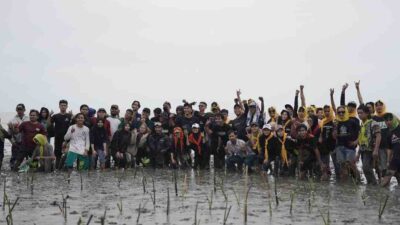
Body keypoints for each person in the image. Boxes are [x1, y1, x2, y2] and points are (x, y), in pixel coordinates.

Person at [355, 105, 380, 185]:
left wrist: (376, 150)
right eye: (358, 113)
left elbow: (378, 136)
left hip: (371, 150)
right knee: (366, 169)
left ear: (367, 113)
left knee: (366, 167)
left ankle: (374, 184)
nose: (359, 115)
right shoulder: (362, 124)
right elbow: (361, 140)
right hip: (363, 150)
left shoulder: (373, 123)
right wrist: (358, 153)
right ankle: (370, 185)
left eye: (361, 113)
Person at [334, 106, 360, 181]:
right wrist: (335, 127)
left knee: (351, 165)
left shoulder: (352, 121)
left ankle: (358, 181)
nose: (341, 113)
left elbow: (360, 132)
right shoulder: (336, 122)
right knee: (342, 166)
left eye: (343, 112)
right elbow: (334, 136)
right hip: (340, 147)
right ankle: (344, 185)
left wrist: (356, 141)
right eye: (339, 112)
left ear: (346, 112)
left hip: (350, 147)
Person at [51, 100, 72, 169]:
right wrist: (49, 115)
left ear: (67, 106)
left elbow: (74, 125)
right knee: (58, 155)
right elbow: (48, 124)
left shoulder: (69, 116)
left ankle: (66, 169)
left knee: (67, 154)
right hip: (57, 138)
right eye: (62, 105)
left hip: (68, 139)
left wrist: (72, 117)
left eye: (64, 105)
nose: (63, 107)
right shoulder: (55, 116)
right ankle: (57, 169)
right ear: (59, 106)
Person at [316, 105, 336, 179]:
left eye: (328, 111)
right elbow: (320, 132)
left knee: (336, 165)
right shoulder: (322, 121)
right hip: (324, 146)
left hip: (333, 145)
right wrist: (320, 138)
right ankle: (325, 179)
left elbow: (335, 134)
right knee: (324, 163)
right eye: (325, 111)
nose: (327, 113)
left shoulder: (334, 120)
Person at [372, 100, 391, 179]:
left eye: (380, 105)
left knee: (391, 166)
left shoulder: (388, 116)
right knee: (381, 167)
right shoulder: (374, 118)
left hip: (389, 146)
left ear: (384, 106)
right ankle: (383, 185)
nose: (378, 107)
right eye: (377, 105)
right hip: (379, 146)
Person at [7, 103, 29, 169]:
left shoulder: (28, 119)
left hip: (27, 142)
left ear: (24, 110)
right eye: (18, 109)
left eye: (21, 109)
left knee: (29, 156)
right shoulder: (12, 120)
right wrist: (12, 142)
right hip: (17, 142)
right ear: (16, 110)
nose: (19, 111)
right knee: (14, 156)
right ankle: (13, 168)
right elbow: (9, 134)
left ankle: (30, 168)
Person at [381, 113, 400, 186]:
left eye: (390, 120)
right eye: (386, 120)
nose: (388, 122)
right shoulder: (388, 133)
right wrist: (388, 160)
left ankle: (378, 194)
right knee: (398, 176)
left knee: (387, 177)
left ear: (394, 119)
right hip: (395, 158)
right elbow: (389, 148)